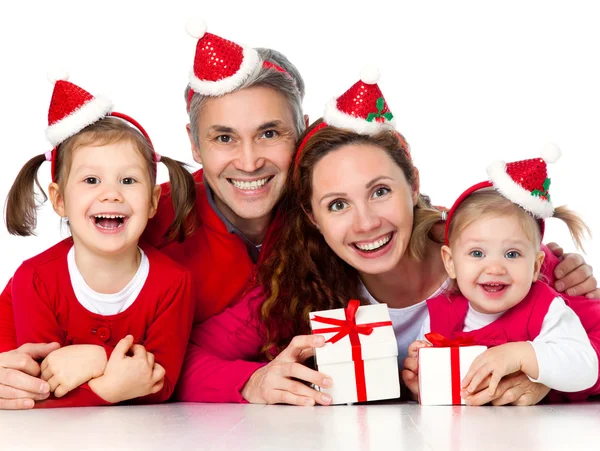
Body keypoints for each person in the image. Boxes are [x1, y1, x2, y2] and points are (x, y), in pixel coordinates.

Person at [0, 23, 594, 408]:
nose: (364, 222)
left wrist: (548, 369)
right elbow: (173, 349)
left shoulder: (478, 256)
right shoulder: (147, 224)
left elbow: (566, 326)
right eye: (225, 138)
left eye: (270, 133)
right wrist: (249, 382)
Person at [174, 70, 600, 406]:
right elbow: (184, 359)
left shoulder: (492, 254)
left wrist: (548, 380)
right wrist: (252, 380)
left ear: (412, 185)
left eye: (380, 192)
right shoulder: (299, 283)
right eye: (337, 205)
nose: (365, 224)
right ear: (313, 217)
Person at [2, 74, 196, 408]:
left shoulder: (174, 283)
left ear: (152, 201)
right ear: (60, 200)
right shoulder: (34, 279)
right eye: (91, 180)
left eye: (128, 180)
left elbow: (160, 384)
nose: (110, 194)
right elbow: (41, 391)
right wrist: (109, 386)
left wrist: (97, 358)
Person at [402, 147, 598, 403]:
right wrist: (420, 381)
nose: (495, 268)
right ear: (450, 263)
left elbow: (586, 367)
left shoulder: (547, 307)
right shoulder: (440, 314)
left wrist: (522, 355)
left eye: (512, 254)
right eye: (477, 253)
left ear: (536, 267)